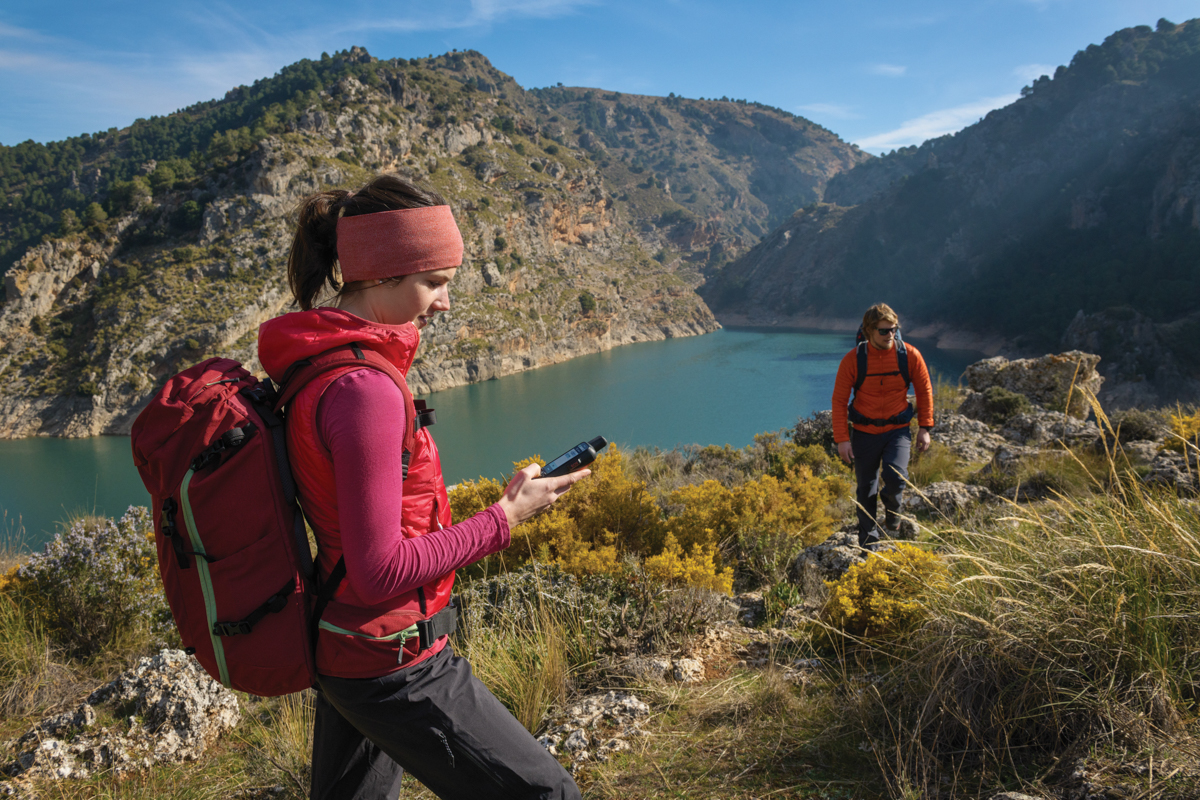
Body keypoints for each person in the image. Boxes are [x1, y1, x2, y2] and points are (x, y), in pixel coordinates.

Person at [257, 175, 587, 800]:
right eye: (434, 282)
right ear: (382, 273)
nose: (444, 302)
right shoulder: (365, 391)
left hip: (347, 646)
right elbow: (380, 570)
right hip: (392, 659)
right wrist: (506, 516)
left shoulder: (321, 364)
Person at [831, 303, 934, 547]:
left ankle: (892, 515)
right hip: (864, 433)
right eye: (884, 331)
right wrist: (842, 439)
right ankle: (869, 544)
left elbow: (924, 390)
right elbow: (839, 401)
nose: (891, 335)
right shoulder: (853, 360)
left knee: (896, 477)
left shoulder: (909, 355)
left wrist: (925, 427)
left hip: (897, 431)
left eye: (894, 329)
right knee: (866, 491)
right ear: (869, 331)